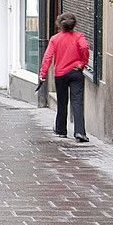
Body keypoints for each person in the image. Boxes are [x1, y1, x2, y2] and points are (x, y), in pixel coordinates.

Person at [39, 12, 90, 142]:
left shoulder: (55, 39)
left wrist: (43, 74)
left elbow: (47, 57)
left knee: (62, 102)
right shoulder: (79, 36)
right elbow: (84, 47)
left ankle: (61, 130)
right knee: (77, 102)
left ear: (60, 25)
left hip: (60, 74)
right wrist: (82, 63)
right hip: (75, 72)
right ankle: (79, 132)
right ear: (74, 24)